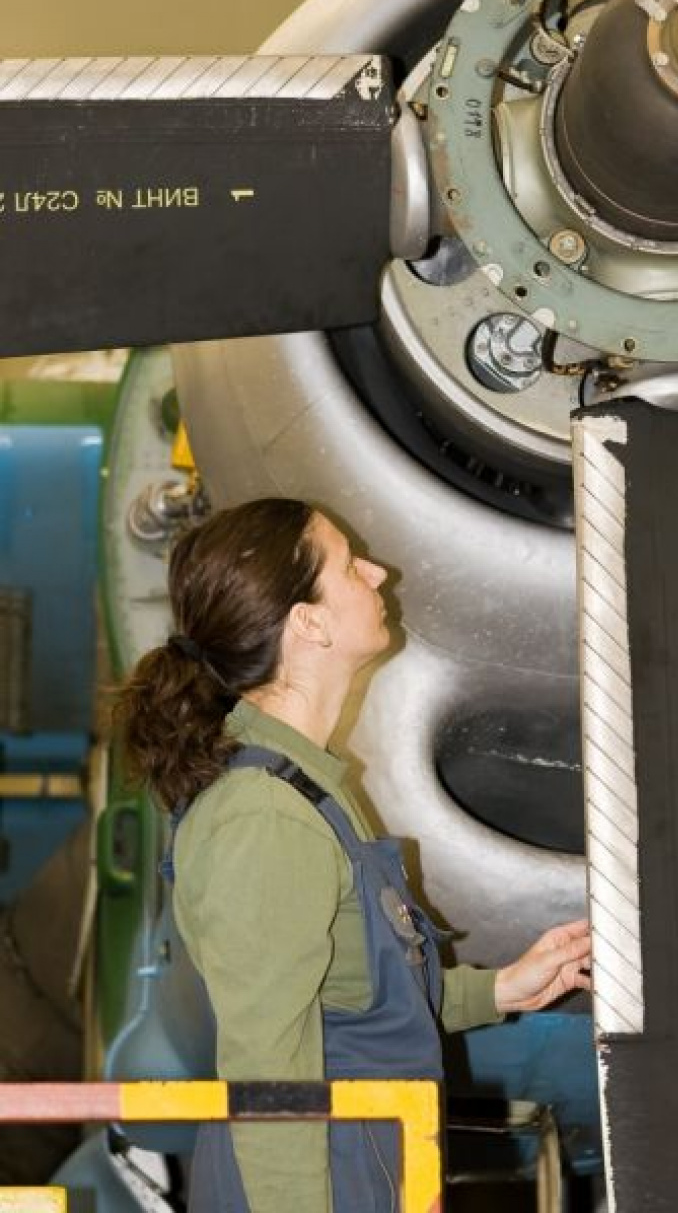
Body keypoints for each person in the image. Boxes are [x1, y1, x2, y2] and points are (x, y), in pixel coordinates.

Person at [115, 497, 592, 1213]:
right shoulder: (264, 816)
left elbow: (353, 1001)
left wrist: (500, 990)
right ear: (308, 623)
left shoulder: (304, 791)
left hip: (361, 1163)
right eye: (347, 565)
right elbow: (268, 1068)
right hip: (311, 1182)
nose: (376, 572)